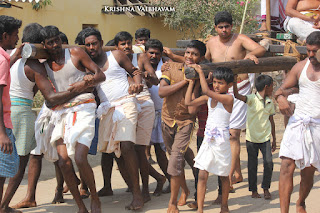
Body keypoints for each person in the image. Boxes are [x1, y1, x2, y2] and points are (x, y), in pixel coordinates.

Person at [39, 25, 105, 213]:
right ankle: (80, 207)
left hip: (84, 107)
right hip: (61, 112)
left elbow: (101, 75)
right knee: (63, 162)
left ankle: (94, 198)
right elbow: (50, 98)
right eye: (50, 42)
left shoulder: (75, 52)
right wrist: (74, 90)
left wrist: (86, 81)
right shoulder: (43, 63)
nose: (55, 45)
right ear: (44, 45)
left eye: (57, 40)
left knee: (80, 157)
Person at [205, 11, 266, 191]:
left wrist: (250, 54)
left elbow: (261, 49)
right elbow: (205, 58)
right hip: (218, 91)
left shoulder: (240, 39)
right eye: (220, 27)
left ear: (232, 26)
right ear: (215, 28)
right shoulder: (211, 42)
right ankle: (237, 172)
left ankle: (229, 176)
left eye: (227, 26)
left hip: (239, 88)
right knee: (224, 132)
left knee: (233, 134)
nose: (224, 30)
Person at [74, 27, 135, 199]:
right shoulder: (88, 66)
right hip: (106, 110)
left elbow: (134, 71)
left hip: (126, 103)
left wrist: (136, 84)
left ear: (101, 43)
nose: (92, 47)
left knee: (127, 147)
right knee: (108, 152)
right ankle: (124, 187)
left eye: (94, 43)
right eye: (88, 45)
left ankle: (139, 192)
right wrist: (87, 82)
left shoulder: (116, 56)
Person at [158, 40, 205, 213]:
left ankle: (172, 202)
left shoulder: (201, 75)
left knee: (175, 160)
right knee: (177, 158)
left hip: (185, 122)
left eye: (194, 54)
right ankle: (185, 190)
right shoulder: (171, 68)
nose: (189, 57)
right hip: (167, 119)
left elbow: (192, 110)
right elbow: (162, 92)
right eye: (187, 53)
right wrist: (185, 82)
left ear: (200, 58)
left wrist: (193, 82)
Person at [276, 31, 320, 213]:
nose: (310, 55)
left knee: (308, 173)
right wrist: (281, 99)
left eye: (315, 51)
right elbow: (280, 90)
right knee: (286, 165)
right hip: (297, 122)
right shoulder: (300, 67)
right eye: (308, 51)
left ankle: (300, 201)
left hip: (317, 126)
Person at [114, 31, 160, 203]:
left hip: (144, 103)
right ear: (116, 47)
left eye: (128, 43)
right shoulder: (114, 60)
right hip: (125, 104)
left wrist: (148, 76)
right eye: (122, 44)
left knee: (141, 150)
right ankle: (137, 190)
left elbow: (155, 80)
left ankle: (145, 191)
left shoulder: (140, 57)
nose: (126, 47)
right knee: (124, 149)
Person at [185, 67, 234, 213]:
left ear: (229, 85)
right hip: (208, 141)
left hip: (221, 142)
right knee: (202, 174)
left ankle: (224, 206)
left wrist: (200, 73)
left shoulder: (228, 98)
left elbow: (207, 91)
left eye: (220, 83)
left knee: (223, 175)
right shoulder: (208, 98)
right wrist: (191, 84)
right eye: (215, 82)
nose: (217, 85)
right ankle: (200, 209)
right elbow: (188, 102)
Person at [233, 74, 276, 199]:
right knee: (252, 166)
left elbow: (271, 121)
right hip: (251, 139)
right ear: (267, 87)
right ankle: (253, 190)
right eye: (272, 86)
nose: (273, 89)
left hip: (265, 138)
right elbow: (237, 96)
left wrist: (274, 138)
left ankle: (266, 188)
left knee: (269, 163)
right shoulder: (251, 98)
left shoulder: (269, 102)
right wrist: (235, 82)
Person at [0, 15, 22, 213]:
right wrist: (2, 134)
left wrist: (15, 56)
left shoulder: (3, 58)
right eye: (15, 35)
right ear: (5, 35)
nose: (17, 39)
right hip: (2, 123)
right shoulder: (2, 60)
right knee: (2, 171)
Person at [145, 39, 171, 195]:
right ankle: (153, 180)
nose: (154, 56)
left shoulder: (166, 66)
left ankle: (171, 179)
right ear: (145, 53)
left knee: (162, 151)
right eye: (151, 53)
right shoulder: (140, 65)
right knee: (140, 152)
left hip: (164, 113)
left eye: (157, 53)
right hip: (146, 113)